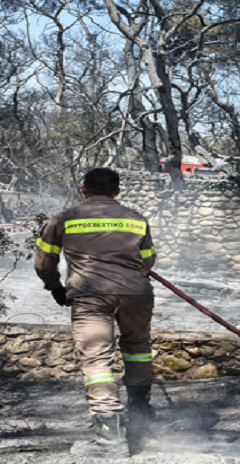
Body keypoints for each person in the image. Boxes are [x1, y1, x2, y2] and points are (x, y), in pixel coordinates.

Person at [35, 167, 157, 457]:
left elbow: (43, 262)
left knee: (97, 360)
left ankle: (109, 440)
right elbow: (149, 260)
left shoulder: (63, 219)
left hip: (90, 295)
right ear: (117, 191)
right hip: (136, 294)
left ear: (83, 189)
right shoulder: (137, 219)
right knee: (137, 348)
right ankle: (140, 418)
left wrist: (55, 287)